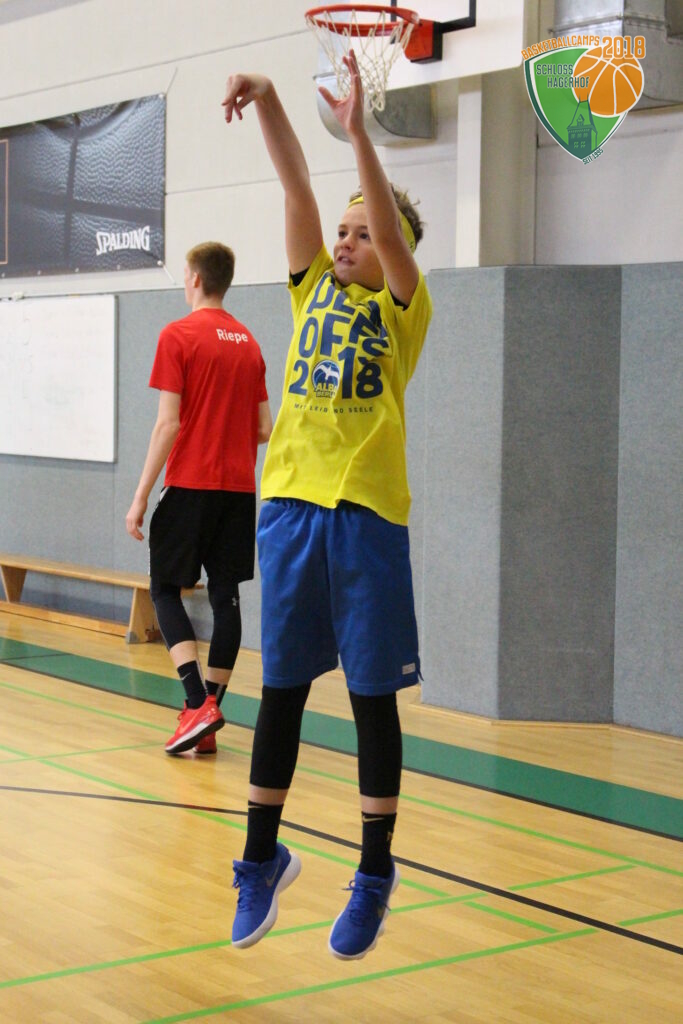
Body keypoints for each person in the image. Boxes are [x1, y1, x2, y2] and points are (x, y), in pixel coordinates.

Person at [222, 50, 432, 961]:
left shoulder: (402, 308)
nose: (345, 241)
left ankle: (374, 872)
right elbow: (295, 186)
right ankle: (259, 860)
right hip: (290, 512)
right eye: (341, 233)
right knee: (280, 693)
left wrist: (359, 137)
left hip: (367, 519)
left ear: (391, 251)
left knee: (371, 699)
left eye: (362, 233)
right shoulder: (310, 288)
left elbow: (384, 228)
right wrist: (272, 98)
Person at [125, 241, 272, 756]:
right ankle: (207, 716)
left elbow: (168, 424)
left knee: (164, 589)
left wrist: (140, 496)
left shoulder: (178, 335)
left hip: (190, 484)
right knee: (225, 596)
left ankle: (195, 704)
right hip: (238, 490)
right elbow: (264, 428)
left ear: (194, 279)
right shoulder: (249, 343)